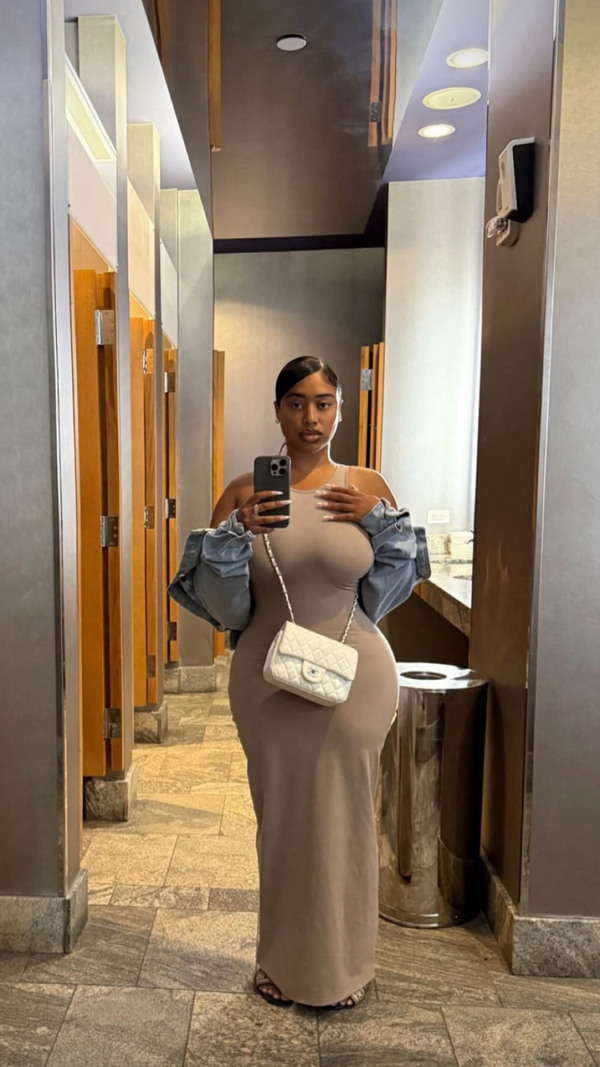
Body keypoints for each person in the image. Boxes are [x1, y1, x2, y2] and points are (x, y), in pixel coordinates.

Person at [169, 356, 430, 1010]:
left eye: (323, 403)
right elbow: (224, 609)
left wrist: (380, 519)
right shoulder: (245, 490)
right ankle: (283, 962)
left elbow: (393, 587)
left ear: (340, 409)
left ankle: (346, 967)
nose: (309, 417)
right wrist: (235, 534)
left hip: (356, 672)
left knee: (349, 816)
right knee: (281, 818)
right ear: (278, 410)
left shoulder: (365, 485)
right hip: (267, 675)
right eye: (295, 402)